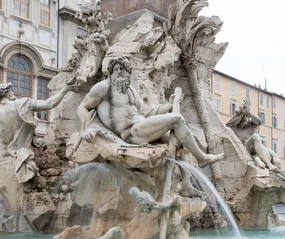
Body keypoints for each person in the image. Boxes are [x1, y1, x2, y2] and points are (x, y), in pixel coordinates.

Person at [77, 57, 224, 168]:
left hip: (143, 128)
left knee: (180, 142)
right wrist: (89, 126)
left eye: (122, 69)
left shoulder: (131, 90)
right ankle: (202, 158)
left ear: (129, 73)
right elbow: (82, 107)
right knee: (177, 119)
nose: (119, 72)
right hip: (130, 134)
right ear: (110, 73)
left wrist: (169, 105)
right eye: (116, 69)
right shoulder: (103, 88)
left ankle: (187, 186)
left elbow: (147, 112)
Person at [0, 82, 72, 182]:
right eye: (11, 91)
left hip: (2, 155)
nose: (13, 93)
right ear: (8, 93)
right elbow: (49, 104)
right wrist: (65, 89)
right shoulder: (21, 104)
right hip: (22, 154)